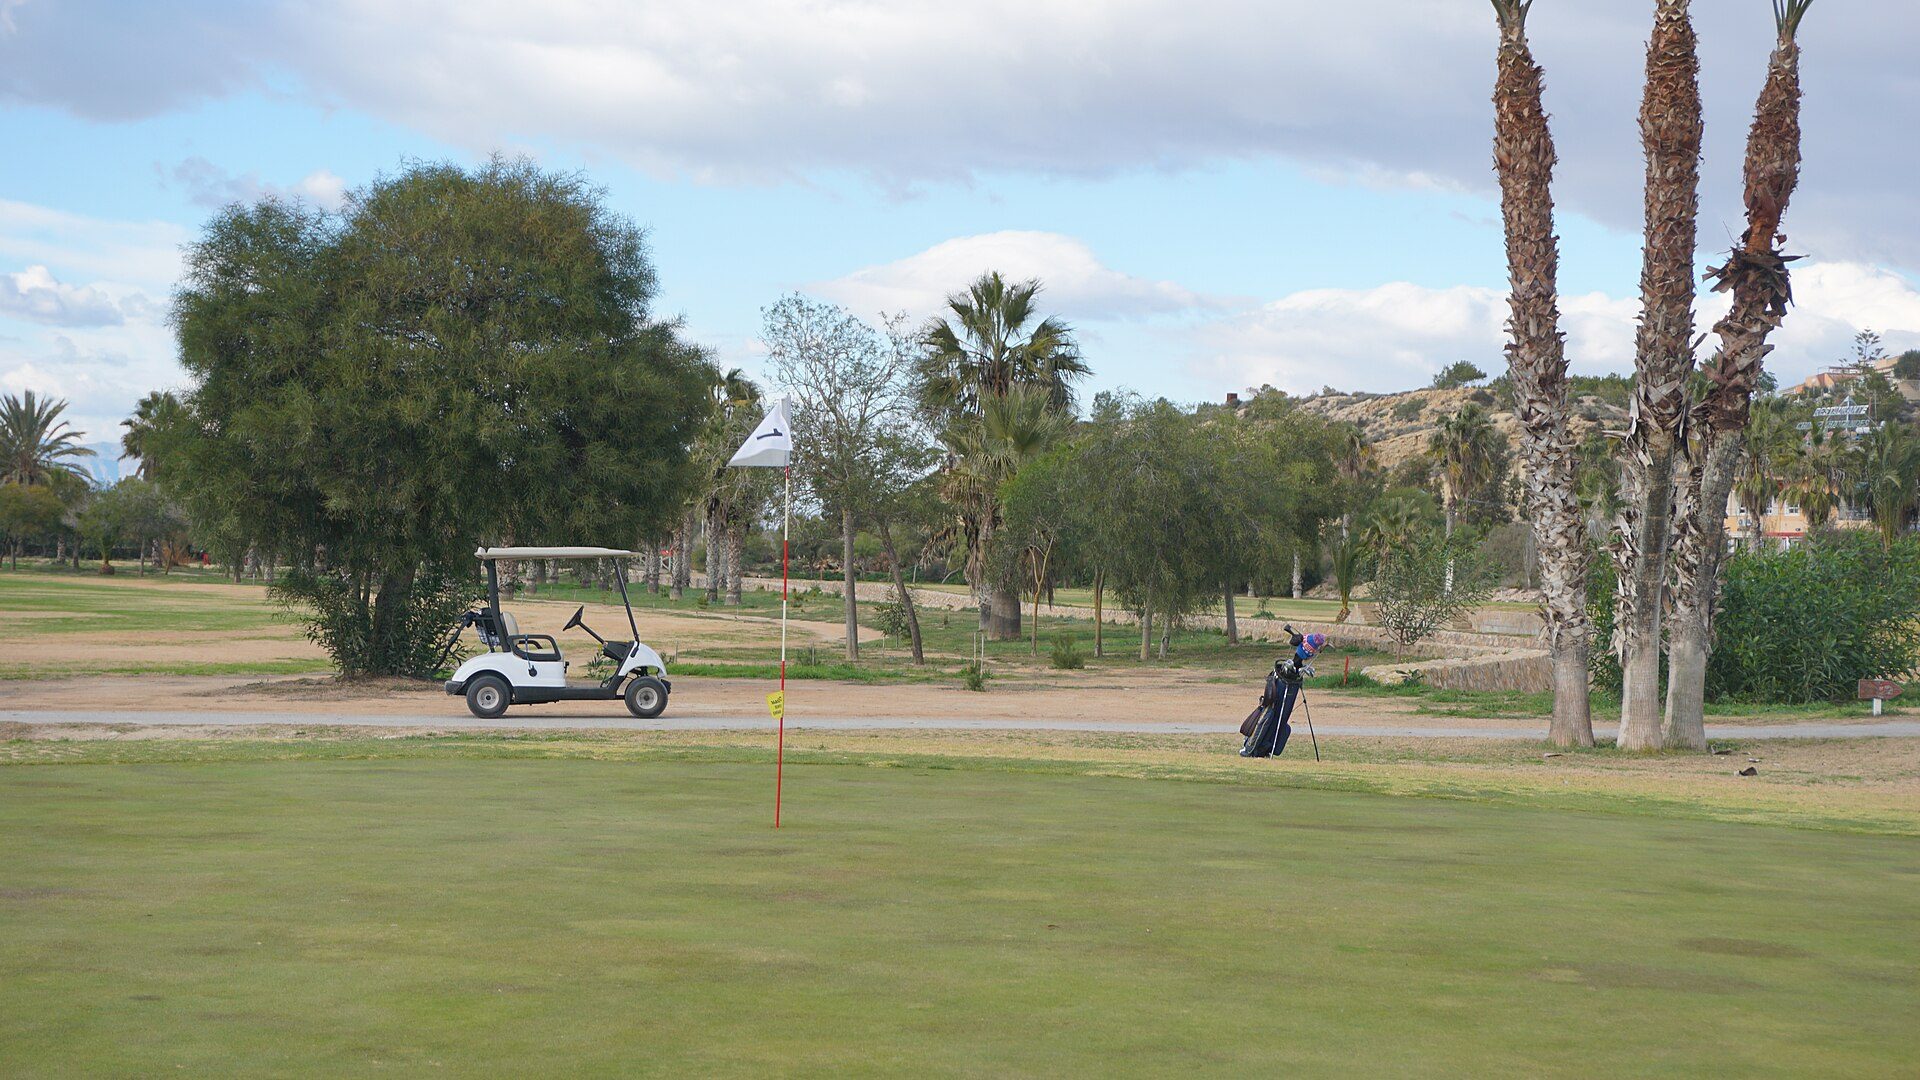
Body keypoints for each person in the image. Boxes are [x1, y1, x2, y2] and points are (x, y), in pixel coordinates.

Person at [1242, 626, 1325, 758]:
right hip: (1284, 684)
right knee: (1272, 716)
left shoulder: (1303, 648)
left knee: (1278, 719)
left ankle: (1264, 748)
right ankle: (1255, 748)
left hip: (1289, 683)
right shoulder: (1301, 649)